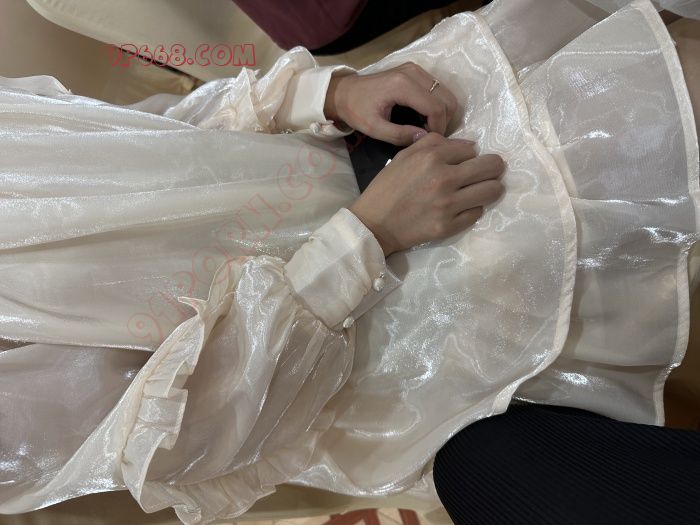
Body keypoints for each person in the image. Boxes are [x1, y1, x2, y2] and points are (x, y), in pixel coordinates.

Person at [0, 0, 698, 524]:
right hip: (381, 338)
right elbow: (182, 440)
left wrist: (325, 95)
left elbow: (153, 132)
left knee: (628, 61)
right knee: (622, 124)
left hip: (346, 150)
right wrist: (366, 238)